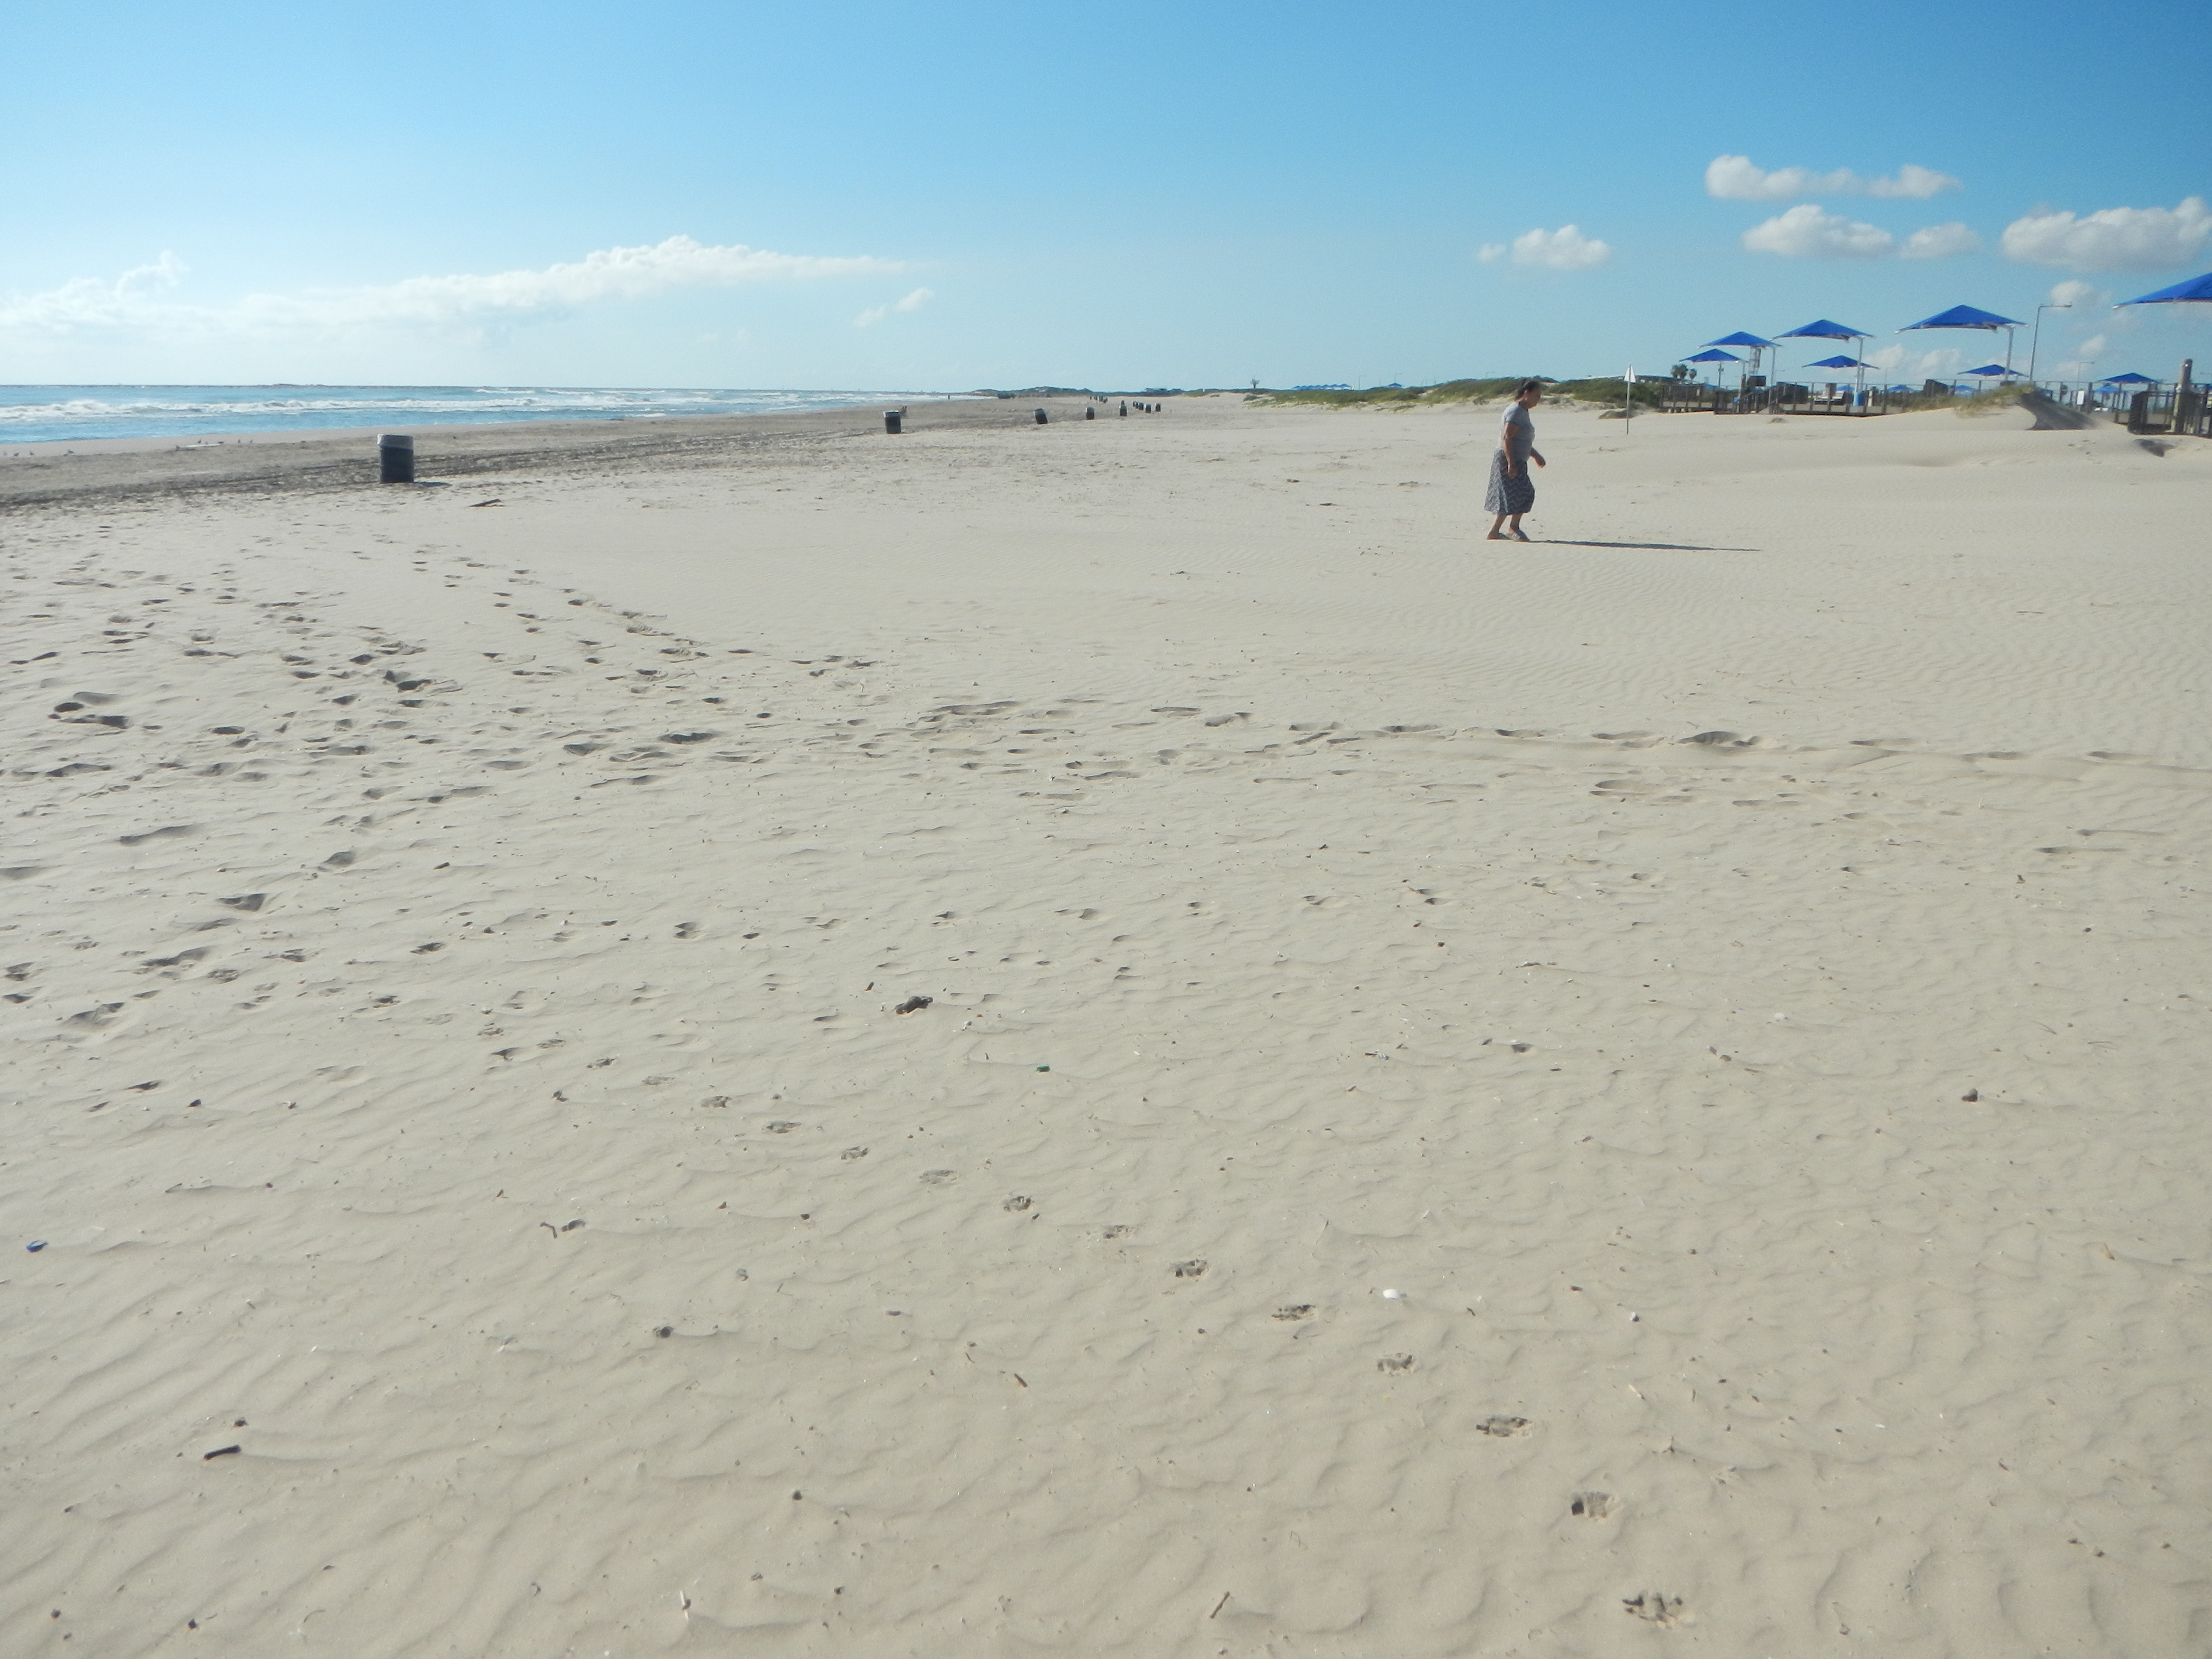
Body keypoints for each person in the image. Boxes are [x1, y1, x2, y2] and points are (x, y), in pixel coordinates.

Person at [1486, 379, 1546, 541]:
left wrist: (1535, 455)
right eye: (1536, 395)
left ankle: (1497, 531)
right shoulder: (1516, 412)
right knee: (1521, 493)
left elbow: (1522, 440)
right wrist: (1511, 463)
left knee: (1514, 495)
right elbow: (1507, 438)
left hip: (1518, 458)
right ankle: (1511, 528)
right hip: (1508, 459)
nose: (1538, 400)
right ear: (1526, 393)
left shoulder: (1523, 411)